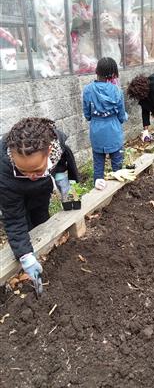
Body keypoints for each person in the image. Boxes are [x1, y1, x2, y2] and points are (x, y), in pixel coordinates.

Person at [0, 117, 79, 284]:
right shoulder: (5, 172)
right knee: (26, 227)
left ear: (49, 153)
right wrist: (25, 255)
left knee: (42, 218)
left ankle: (47, 255)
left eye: (36, 170)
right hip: (14, 193)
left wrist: (61, 176)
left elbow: (62, 161)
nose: (30, 176)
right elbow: (14, 219)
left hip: (41, 193)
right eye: (24, 171)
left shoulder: (55, 146)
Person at [83, 57, 130, 190]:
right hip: (113, 130)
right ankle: (118, 191)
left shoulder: (88, 90)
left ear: (97, 71)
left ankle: (98, 193)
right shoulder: (116, 91)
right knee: (117, 163)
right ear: (112, 73)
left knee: (98, 165)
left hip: (96, 131)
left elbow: (87, 115)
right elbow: (121, 115)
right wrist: (122, 118)